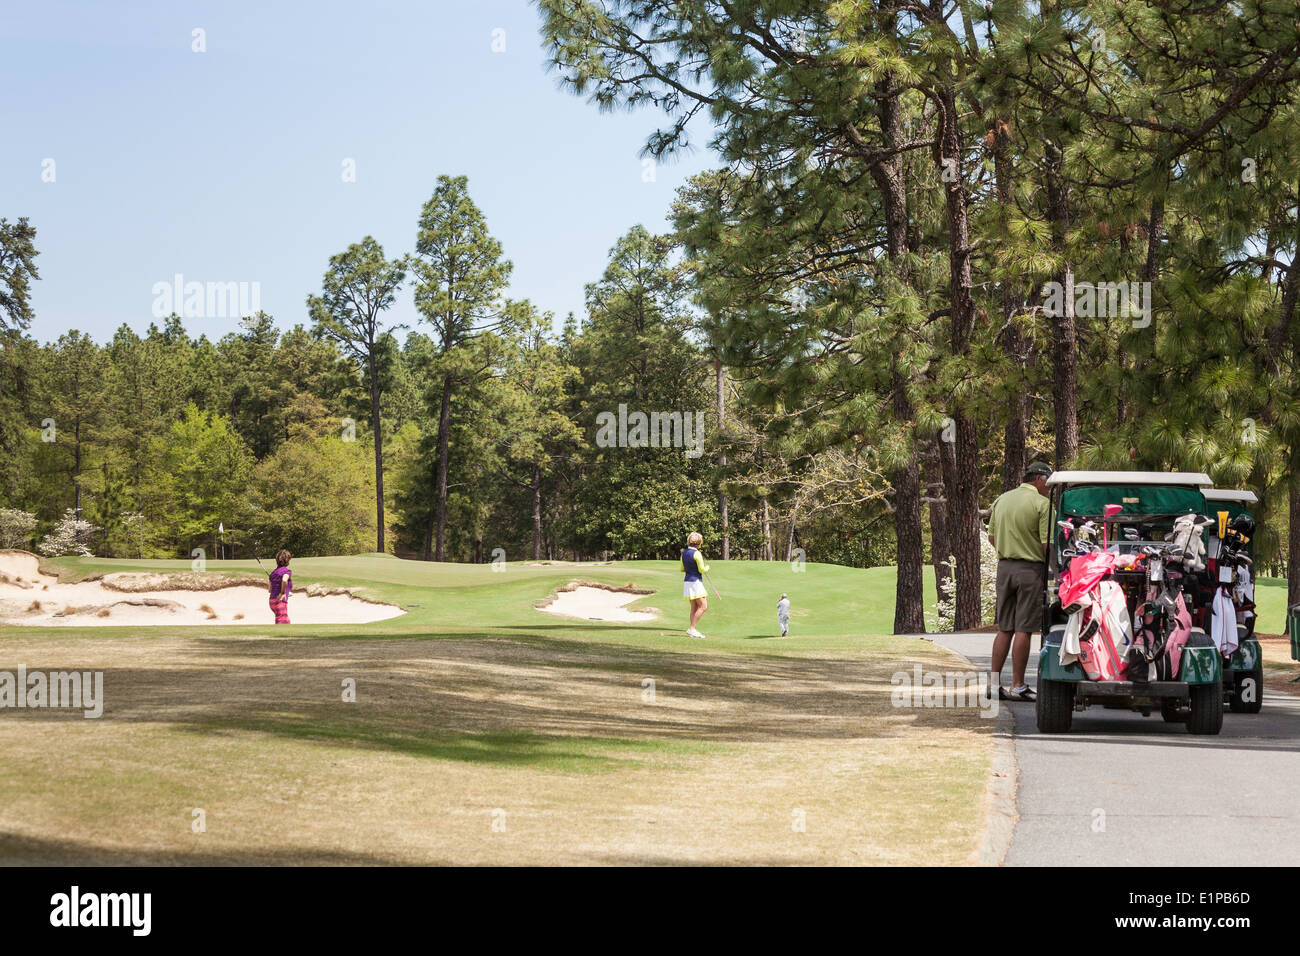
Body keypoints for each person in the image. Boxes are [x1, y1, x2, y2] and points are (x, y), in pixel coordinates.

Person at [987, 462, 1052, 701]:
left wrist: (1009, 548)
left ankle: (995, 684)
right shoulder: (1043, 504)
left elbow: (992, 537)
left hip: (1005, 568)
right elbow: (1047, 545)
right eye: (1048, 481)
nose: (1049, 486)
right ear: (1038, 478)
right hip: (1030, 569)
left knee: (1005, 627)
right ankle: (1018, 684)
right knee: (1024, 628)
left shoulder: (1002, 499)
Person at [681, 531, 710, 639]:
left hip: (687, 581)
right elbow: (701, 569)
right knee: (703, 606)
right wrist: (707, 568)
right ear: (699, 543)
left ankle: (692, 630)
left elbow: (682, 568)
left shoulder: (683, 553)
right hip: (695, 582)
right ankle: (692, 629)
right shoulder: (697, 553)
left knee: (694, 607)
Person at [269, 549, 292, 625]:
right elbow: (284, 580)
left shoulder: (273, 573)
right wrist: (282, 592)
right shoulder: (286, 571)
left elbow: (270, 589)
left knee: (286, 621)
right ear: (287, 560)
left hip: (272, 601)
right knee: (282, 623)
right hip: (280, 601)